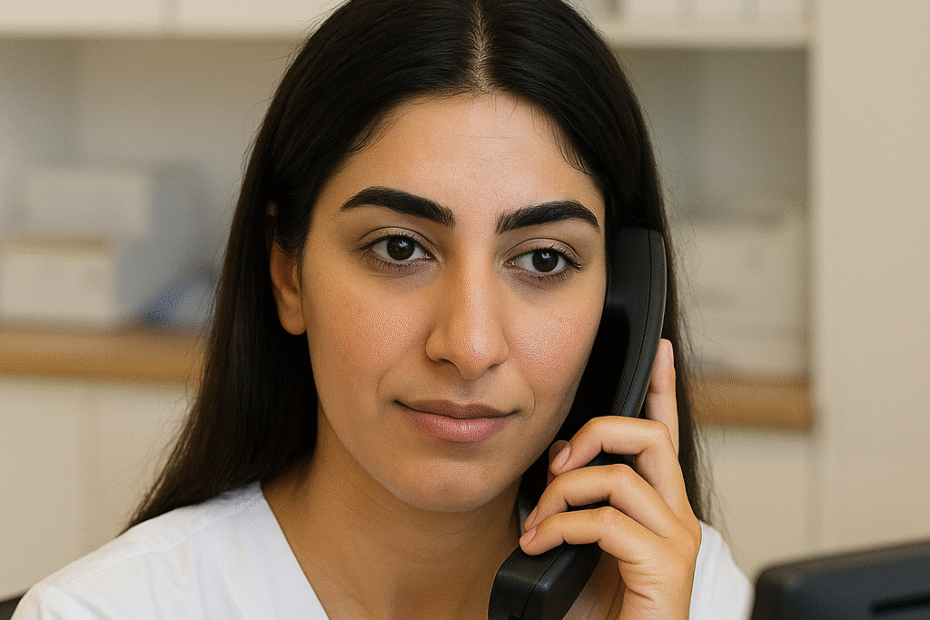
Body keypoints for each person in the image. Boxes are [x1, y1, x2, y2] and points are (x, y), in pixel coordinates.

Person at [13, 0, 752, 618]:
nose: (468, 344)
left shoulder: (682, 589)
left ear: (621, 301)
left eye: (543, 260)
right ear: (287, 274)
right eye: (400, 249)